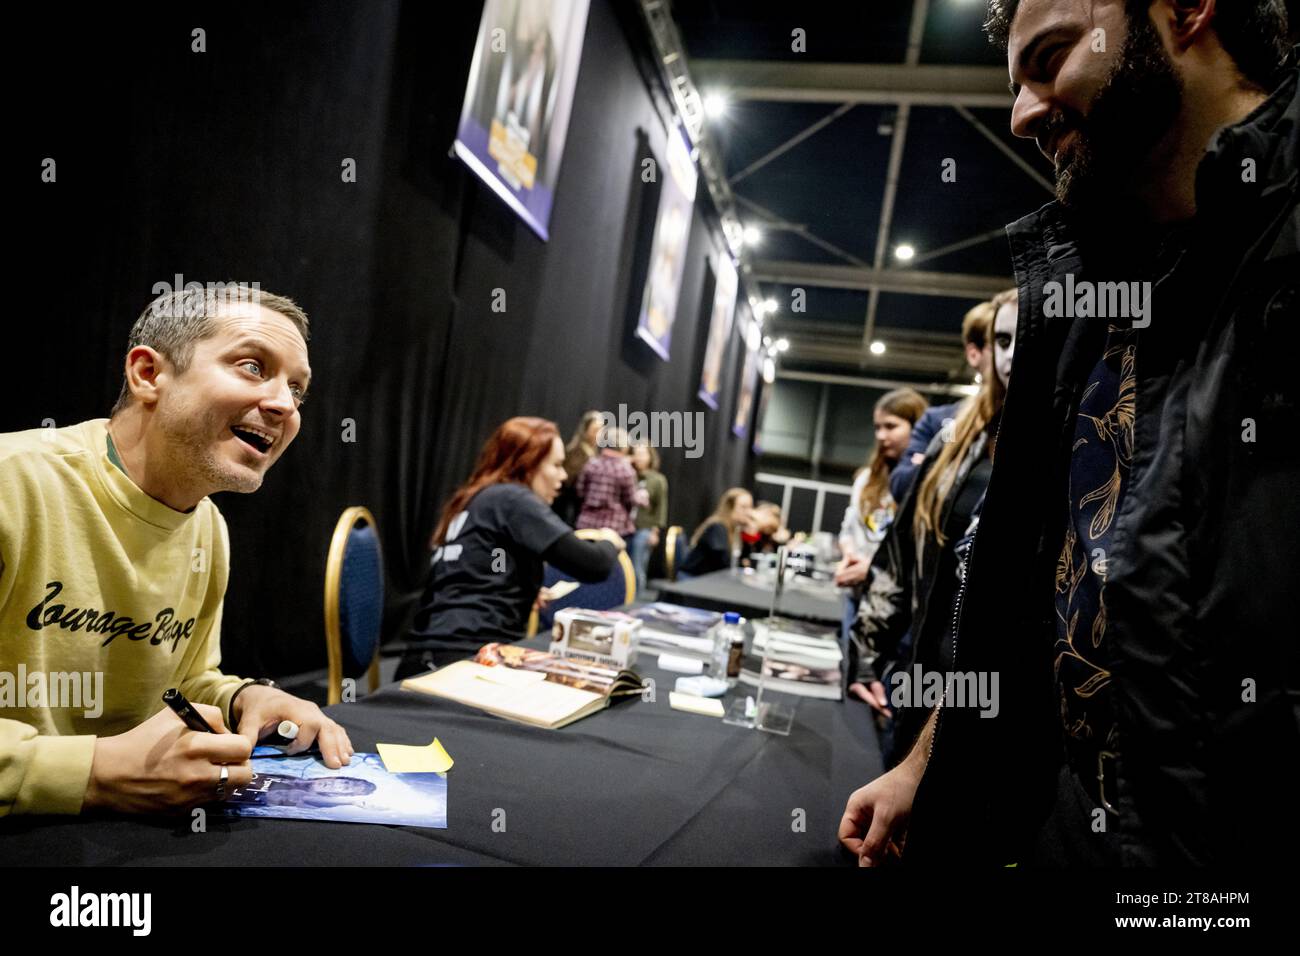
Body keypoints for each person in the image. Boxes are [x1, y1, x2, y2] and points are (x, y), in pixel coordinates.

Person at [840, 0, 1298, 868]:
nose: (1020, 115)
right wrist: (925, 764)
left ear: (1189, 10)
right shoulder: (1087, 300)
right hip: (1073, 833)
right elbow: (1031, 587)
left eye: (1050, 60)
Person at [0, 286, 353, 817]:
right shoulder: (11, 483)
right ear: (148, 375)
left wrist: (245, 698)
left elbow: (182, 681)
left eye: (298, 390)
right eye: (254, 367)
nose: (284, 404)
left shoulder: (209, 524)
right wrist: (92, 775)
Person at [845, 294, 1015, 758]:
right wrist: (863, 659)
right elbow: (901, 557)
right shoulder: (955, 439)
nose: (1012, 353)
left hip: (1009, 705)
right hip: (923, 676)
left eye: (1025, 337)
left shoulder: (1081, 440)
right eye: (1001, 339)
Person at [397, 417, 623, 677]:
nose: (563, 477)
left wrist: (520, 585)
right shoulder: (513, 498)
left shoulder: (475, 499)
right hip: (461, 664)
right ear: (528, 464)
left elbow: (467, 574)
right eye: (557, 465)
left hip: (427, 657)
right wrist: (609, 541)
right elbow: (594, 565)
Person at [889, 301, 1001, 503]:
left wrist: (937, 467)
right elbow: (900, 486)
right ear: (974, 353)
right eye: (1001, 343)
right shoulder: (937, 420)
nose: (1011, 355)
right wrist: (939, 465)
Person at [836, 389, 929, 619]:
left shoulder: (926, 485)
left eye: (890, 426)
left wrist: (873, 567)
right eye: (877, 427)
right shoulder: (866, 480)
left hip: (895, 610)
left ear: (916, 427)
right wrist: (849, 557)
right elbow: (848, 529)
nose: (880, 435)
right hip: (857, 599)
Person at [574, 429, 645, 539]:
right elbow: (631, 499)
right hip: (613, 530)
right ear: (623, 446)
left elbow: (580, 491)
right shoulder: (625, 470)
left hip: (586, 525)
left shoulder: (591, 464)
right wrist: (642, 496)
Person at [679, 488, 754, 578]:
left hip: (709, 580)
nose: (749, 512)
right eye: (744, 507)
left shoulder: (735, 530)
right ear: (730, 508)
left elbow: (741, 561)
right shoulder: (718, 527)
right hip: (694, 580)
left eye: (750, 507)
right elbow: (724, 563)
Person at [628, 443, 668, 594]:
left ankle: (636, 598)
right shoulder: (628, 474)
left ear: (650, 456)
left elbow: (661, 508)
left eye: (642, 453)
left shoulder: (657, 480)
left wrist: (655, 532)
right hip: (626, 527)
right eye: (636, 453)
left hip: (644, 528)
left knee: (637, 565)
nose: (639, 457)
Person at [552, 410, 602, 525]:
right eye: (595, 430)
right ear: (586, 430)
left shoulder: (595, 453)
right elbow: (569, 482)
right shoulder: (574, 452)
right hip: (569, 508)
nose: (599, 434)